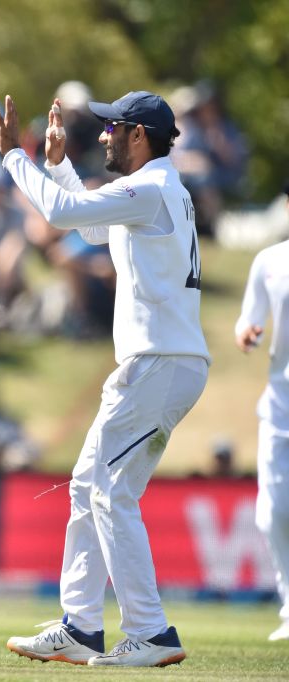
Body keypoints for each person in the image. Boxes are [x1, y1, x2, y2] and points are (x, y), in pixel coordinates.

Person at [0, 91, 209, 667]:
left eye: (113, 127)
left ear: (139, 135)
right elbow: (91, 230)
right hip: (158, 363)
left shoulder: (152, 188)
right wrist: (57, 164)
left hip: (160, 363)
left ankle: (151, 631)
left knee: (111, 492)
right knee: (90, 486)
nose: (106, 136)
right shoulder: (154, 190)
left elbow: (64, 216)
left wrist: (16, 157)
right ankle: (81, 626)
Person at [235, 184, 289, 642]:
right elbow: (246, 319)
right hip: (280, 406)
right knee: (272, 513)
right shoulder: (270, 261)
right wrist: (247, 333)